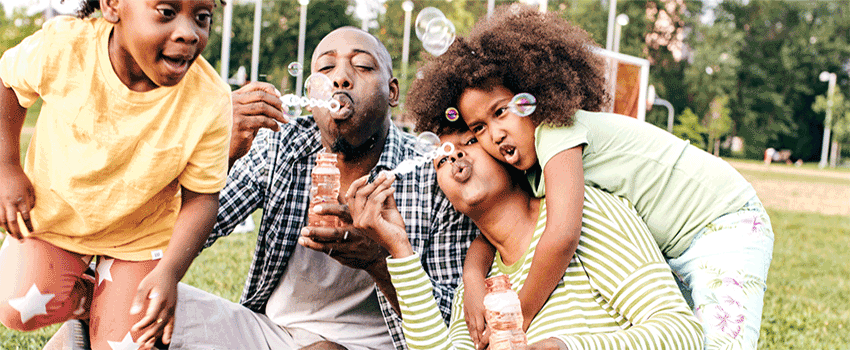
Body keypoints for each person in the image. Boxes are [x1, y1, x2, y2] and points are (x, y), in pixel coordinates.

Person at [405, 5, 774, 349]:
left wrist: (524, 312)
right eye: (478, 128)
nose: (494, 135)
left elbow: (562, 234)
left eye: (501, 111)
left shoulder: (555, 134)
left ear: (532, 94)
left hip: (722, 222)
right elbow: (491, 236)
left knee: (721, 342)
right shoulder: (534, 171)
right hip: (674, 244)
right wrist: (472, 276)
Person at [163, 27, 478, 350]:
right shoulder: (280, 145)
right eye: (326, 68)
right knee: (139, 292)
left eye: (364, 66)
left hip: (374, 346)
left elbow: (453, 321)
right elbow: (170, 236)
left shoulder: (432, 175)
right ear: (311, 91)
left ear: (392, 92)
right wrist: (222, 152)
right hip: (270, 334)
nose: (340, 78)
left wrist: (378, 260)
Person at [0, 0, 231, 349]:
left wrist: (169, 273)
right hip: (57, 221)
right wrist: (6, 167)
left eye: (202, 18)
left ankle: (115, 303)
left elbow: (202, 198)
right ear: (112, 6)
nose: (188, 33)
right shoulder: (64, 48)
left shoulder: (209, 100)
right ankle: (89, 300)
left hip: (138, 240)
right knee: (16, 307)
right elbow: (7, 84)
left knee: (129, 344)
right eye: (166, 12)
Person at [347, 127, 704, 349]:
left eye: (470, 139)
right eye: (440, 158)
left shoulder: (587, 213)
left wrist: (566, 347)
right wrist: (399, 248)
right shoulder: (474, 291)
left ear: (508, 153)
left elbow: (682, 333)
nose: (454, 153)